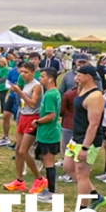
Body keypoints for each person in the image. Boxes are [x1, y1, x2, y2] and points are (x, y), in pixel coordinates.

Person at [65, 65, 106, 212]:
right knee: (68, 167)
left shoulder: (96, 96)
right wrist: (78, 85)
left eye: (79, 74)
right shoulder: (82, 89)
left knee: (82, 174)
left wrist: (85, 147)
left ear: (88, 76)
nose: (76, 76)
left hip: (87, 140)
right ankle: (96, 197)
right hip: (76, 137)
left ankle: (82, 210)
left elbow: (94, 124)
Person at [5, 62, 47, 193]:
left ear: (33, 73)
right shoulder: (26, 84)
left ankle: (39, 179)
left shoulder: (37, 85)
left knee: (24, 151)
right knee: (18, 150)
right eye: (21, 72)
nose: (23, 74)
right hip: (23, 116)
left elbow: (33, 104)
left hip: (32, 118)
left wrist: (20, 92)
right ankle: (19, 180)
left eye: (26, 72)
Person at [34, 68, 62, 202]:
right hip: (48, 132)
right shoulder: (54, 93)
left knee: (49, 163)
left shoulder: (50, 95)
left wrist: (38, 121)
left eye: (43, 76)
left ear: (50, 78)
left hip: (49, 133)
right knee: (45, 161)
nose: (40, 78)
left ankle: (52, 192)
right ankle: (48, 189)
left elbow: (51, 116)